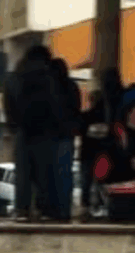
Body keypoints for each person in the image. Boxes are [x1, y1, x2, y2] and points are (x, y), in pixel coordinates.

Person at [4, 44, 68, 222]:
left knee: (23, 174)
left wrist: (13, 126)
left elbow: (8, 105)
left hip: (22, 131)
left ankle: (22, 209)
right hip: (44, 130)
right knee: (44, 173)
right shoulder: (47, 76)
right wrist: (59, 125)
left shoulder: (13, 77)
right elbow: (54, 103)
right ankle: (45, 209)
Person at [79, 67, 125, 221]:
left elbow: (81, 128)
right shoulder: (121, 101)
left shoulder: (88, 116)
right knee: (107, 178)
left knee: (87, 180)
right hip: (110, 148)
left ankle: (87, 205)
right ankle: (106, 204)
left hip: (89, 151)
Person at [50, 58, 83, 221]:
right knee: (65, 173)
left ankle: (52, 209)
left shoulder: (48, 87)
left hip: (50, 135)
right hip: (67, 134)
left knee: (50, 174)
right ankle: (64, 210)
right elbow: (76, 108)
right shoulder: (72, 86)